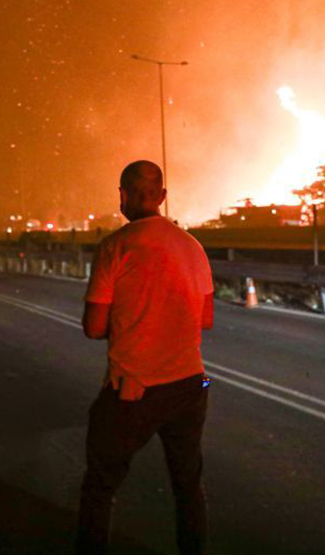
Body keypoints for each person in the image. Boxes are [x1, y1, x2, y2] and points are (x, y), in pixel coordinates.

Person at [77, 160, 214, 555]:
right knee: (188, 485)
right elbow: (205, 318)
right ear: (163, 197)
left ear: (122, 196)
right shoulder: (193, 247)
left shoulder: (115, 247)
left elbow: (93, 326)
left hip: (132, 390)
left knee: (100, 486)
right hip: (192, 385)